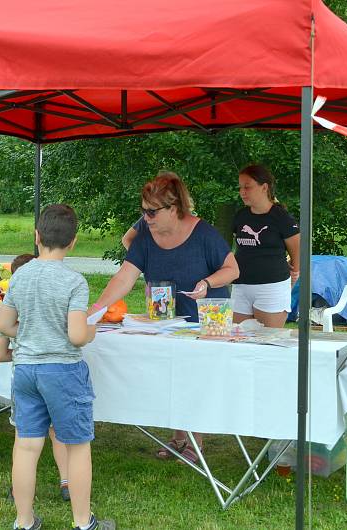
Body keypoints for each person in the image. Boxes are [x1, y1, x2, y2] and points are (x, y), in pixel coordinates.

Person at [90, 171, 239, 464]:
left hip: (202, 318)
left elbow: (232, 269)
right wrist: (96, 308)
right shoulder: (146, 236)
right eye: (143, 211)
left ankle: (195, 442)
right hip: (164, 319)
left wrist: (207, 283)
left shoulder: (204, 233)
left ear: (174, 209)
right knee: (171, 374)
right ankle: (177, 438)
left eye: (152, 212)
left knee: (194, 377)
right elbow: (124, 278)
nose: (146, 218)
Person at [0, 204, 114, 530]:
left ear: (37, 236)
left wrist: (33, 332)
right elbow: (77, 335)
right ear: (73, 242)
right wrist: (92, 329)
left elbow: (5, 325)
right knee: (76, 447)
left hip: (25, 371)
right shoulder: (74, 282)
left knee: (26, 445)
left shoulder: (20, 275)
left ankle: (23, 521)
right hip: (62, 372)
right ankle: (82, 522)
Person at [0, 252, 71, 503]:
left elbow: (0, 354)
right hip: (55, 374)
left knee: (25, 438)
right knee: (57, 432)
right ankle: (67, 482)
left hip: (24, 375)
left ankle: (19, 490)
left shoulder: (14, 315)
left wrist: (19, 350)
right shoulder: (56, 309)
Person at [231, 164, 299, 328]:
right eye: (240, 187)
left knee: (269, 342)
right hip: (241, 285)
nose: (242, 192)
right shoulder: (241, 216)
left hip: (272, 287)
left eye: (247, 187)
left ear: (264, 187)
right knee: (238, 339)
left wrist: (294, 274)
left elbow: (298, 250)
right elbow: (236, 248)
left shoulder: (281, 217)